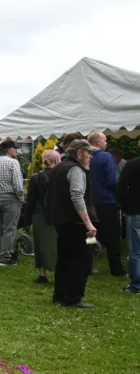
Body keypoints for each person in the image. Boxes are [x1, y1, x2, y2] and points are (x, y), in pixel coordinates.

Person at [47, 139, 99, 307]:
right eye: (88, 153)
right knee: (80, 261)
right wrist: (88, 223)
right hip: (76, 223)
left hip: (62, 221)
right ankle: (73, 297)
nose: (91, 157)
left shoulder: (59, 167)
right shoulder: (76, 169)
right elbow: (77, 196)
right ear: (79, 153)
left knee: (64, 259)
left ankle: (60, 295)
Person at [87, 131, 126, 276]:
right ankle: (116, 269)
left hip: (89, 203)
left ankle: (88, 265)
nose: (106, 142)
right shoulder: (106, 156)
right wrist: (121, 196)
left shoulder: (84, 157)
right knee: (113, 236)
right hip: (106, 201)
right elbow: (112, 181)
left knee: (91, 235)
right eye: (104, 140)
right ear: (97, 142)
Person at [0, 140, 24, 266]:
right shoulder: (13, 162)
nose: (16, 151)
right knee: (9, 229)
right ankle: (5, 257)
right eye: (15, 149)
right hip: (10, 198)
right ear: (9, 150)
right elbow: (18, 184)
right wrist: (21, 198)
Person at [26, 149, 59, 284]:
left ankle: (42, 274)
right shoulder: (61, 175)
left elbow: (31, 201)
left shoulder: (36, 177)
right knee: (57, 245)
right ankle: (58, 273)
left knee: (40, 245)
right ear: (57, 160)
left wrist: (27, 219)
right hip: (57, 214)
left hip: (39, 214)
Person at [117, 139, 140, 294]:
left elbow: (121, 188)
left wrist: (126, 207)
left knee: (136, 250)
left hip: (135, 210)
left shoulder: (131, 165)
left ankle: (137, 285)